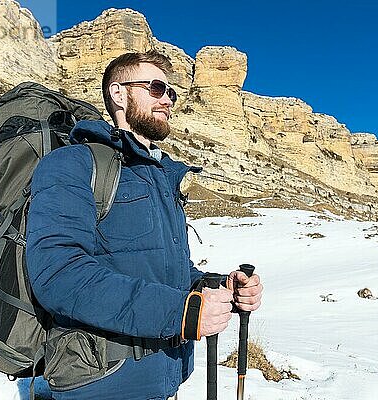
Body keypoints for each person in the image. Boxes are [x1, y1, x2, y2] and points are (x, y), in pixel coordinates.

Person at [25, 50, 263, 400]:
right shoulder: (72, 164)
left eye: (171, 92)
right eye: (155, 87)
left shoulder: (159, 178)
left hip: (164, 378)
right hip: (101, 384)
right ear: (118, 93)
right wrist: (179, 312)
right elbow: (58, 273)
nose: (168, 99)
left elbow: (158, 270)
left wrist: (214, 285)